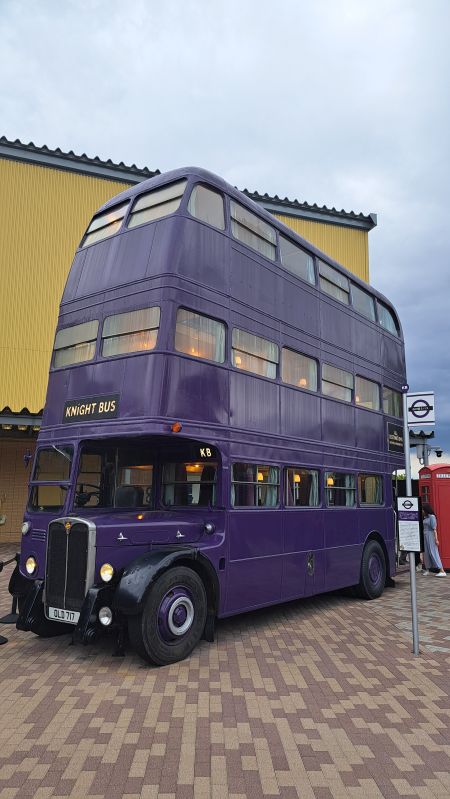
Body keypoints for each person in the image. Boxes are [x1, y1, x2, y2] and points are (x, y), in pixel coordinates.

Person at [421, 502, 446, 577]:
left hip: (431, 535)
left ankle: (442, 570)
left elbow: (434, 529)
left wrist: (436, 539)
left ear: (426, 509)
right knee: (426, 553)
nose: (422, 511)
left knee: (433, 552)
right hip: (425, 536)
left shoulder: (432, 517)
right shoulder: (425, 517)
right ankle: (427, 569)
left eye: (422, 509)